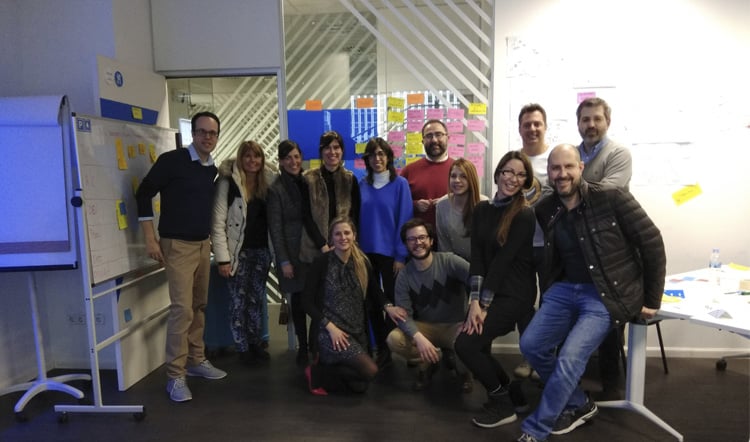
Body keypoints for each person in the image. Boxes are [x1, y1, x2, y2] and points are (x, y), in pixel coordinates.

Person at [514, 144, 665, 442]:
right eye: (555, 168)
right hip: (564, 289)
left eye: (568, 166)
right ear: (549, 173)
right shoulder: (546, 208)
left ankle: (536, 430)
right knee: (531, 345)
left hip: (604, 293)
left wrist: (651, 298)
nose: (562, 174)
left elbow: (652, 242)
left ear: (581, 167)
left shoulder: (612, 197)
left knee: (570, 358)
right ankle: (579, 403)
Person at [135, 111, 227, 403]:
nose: (207, 137)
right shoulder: (172, 161)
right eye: (202, 131)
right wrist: (150, 238)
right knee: (182, 310)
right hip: (176, 245)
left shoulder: (210, 168)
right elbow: (142, 194)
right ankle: (175, 376)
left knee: (199, 305)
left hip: (202, 244)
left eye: (212, 133)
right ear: (193, 133)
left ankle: (196, 360)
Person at [453, 151, 537, 428]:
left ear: (526, 181)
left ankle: (501, 404)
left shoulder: (524, 214)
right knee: (474, 345)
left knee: (466, 344)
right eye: (508, 171)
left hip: (515, 293)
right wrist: (474, 302)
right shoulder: (481, 210)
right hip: (489, 291)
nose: (513, 178)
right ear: (498, 173)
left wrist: (483, 305)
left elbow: (503, 261)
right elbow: (478, 257)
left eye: (521, 175)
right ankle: (512, 396)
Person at [576, 97, 633, 399]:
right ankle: (575, 379)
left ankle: (612, 385)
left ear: (607, 122)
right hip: (580, 246)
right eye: (585, 119)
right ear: (579, 123)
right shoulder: (573, 154)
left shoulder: (618, 153)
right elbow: (555, 188)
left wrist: (572, 187)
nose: (591, 124)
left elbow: (609, 192)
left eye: (597, 118)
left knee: (610, 314)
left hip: (611, 249)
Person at [385, 218, 469, 392]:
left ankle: (463, 372)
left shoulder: (450, 261)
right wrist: (419, 338)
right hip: (426, 327)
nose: (418, 242)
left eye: (422, 237)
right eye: (412, 239)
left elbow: (477, 279)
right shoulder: (404, 276)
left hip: (455, 326)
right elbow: (403, 315)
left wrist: (471, 315)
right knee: (394, 339)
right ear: (406, 245)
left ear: (431, 241)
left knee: (471, 341)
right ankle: (430, 362)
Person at [302, 217, 382, 395]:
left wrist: (389, 306)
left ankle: (323, 369)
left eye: (347, 233)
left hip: (356, 332)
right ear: (331, 238)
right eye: (338, 234)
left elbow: (375, 292)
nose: (343, 237)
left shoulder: (362, 262)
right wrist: (330, 327)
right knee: (371, 371)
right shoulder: (321, 262)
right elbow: (306, 302)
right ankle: (316, 372)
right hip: (331, 333)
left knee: (360, 386)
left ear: (354, 235)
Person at [211, 140, 274, 365]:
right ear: (240, 158)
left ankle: (255, 343)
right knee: (238, 301)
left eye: (256, 156)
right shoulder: (227, 183)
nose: (252, 160)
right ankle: (242, 347)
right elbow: (217, 222)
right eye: (247, 156)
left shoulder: (268, 182)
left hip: (262, 252)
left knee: (255, 300)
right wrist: (223, 259)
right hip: (237, 254)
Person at [267, 140, 328, 367]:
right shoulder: (276, 189)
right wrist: (284, 261)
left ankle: (314, 344)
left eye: (296, 156)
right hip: (292, 256)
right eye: (288, 158)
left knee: (318, 301)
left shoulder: (308, 182)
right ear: (281, 162)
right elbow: (275, 229)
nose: (293, 162)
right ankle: (303, 348)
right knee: (300, 303)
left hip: (313, 251)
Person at [358, 137, 413, 369]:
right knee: (371, 302)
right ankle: (380, 347)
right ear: (367, 159)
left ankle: (390, 346)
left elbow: (405, 220)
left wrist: (400, 255)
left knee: (392, 302)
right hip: (365, 254)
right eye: (372, 155)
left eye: (381, 154)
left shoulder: (400, 184)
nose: (377, 158)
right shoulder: (361, 185)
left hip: (391, 254)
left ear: (389, 157)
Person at [514, 103, 552, 379]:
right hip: (522, 246)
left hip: (551, 246)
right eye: (527, 124)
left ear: (545, 126)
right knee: (524, 304)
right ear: (520, 128)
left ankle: (544, 357)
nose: (532, 128)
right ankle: (528, 356)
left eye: (537, 123)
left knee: (550, 303)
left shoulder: (555, 158)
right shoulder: (515, 161)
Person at [299, 130, 360, 264]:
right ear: (321, 152)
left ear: (342, 151)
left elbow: (354, 216)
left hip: (343, 248)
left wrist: (348, 242)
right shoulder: (308, 179)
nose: (332, 152)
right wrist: (322, 244)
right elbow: (306, 215)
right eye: (327, 148)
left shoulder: (350, 179)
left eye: (336, 147)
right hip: (314, 249)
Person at [400, 119, 455, 228]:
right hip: (418, 237)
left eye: (439, 134)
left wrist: (448, 202)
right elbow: (397, 203)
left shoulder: (460, 170)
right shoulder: (408, 171)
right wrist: (415, 205)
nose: (434, 140)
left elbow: (471, 200)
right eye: (429, 136)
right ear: (423, 141)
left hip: (452, 234)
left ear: (448, 138)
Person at [435, 158, 488, 262]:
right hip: (452, 265)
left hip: (480, 264)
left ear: (471, 179)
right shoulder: (441, 205)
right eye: (453, 176)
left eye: (463, 176)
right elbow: (443, 245)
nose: (457, 180)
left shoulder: (485, 205)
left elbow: (487, 245)